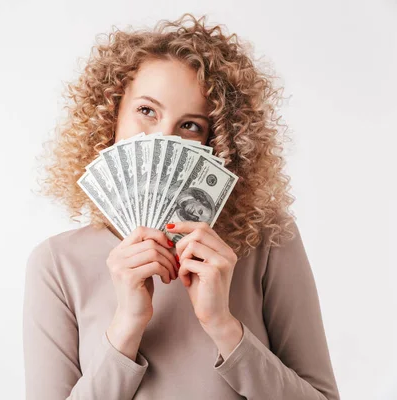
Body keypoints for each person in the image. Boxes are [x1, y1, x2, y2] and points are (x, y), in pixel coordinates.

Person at [23, 13, 340, 399]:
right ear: (110, 117)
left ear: (215, 143)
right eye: (146, 111)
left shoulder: (268, 241)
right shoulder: (56, 263)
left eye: (190, 125)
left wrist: (223, 324)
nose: (163, 138)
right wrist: (127, 324)